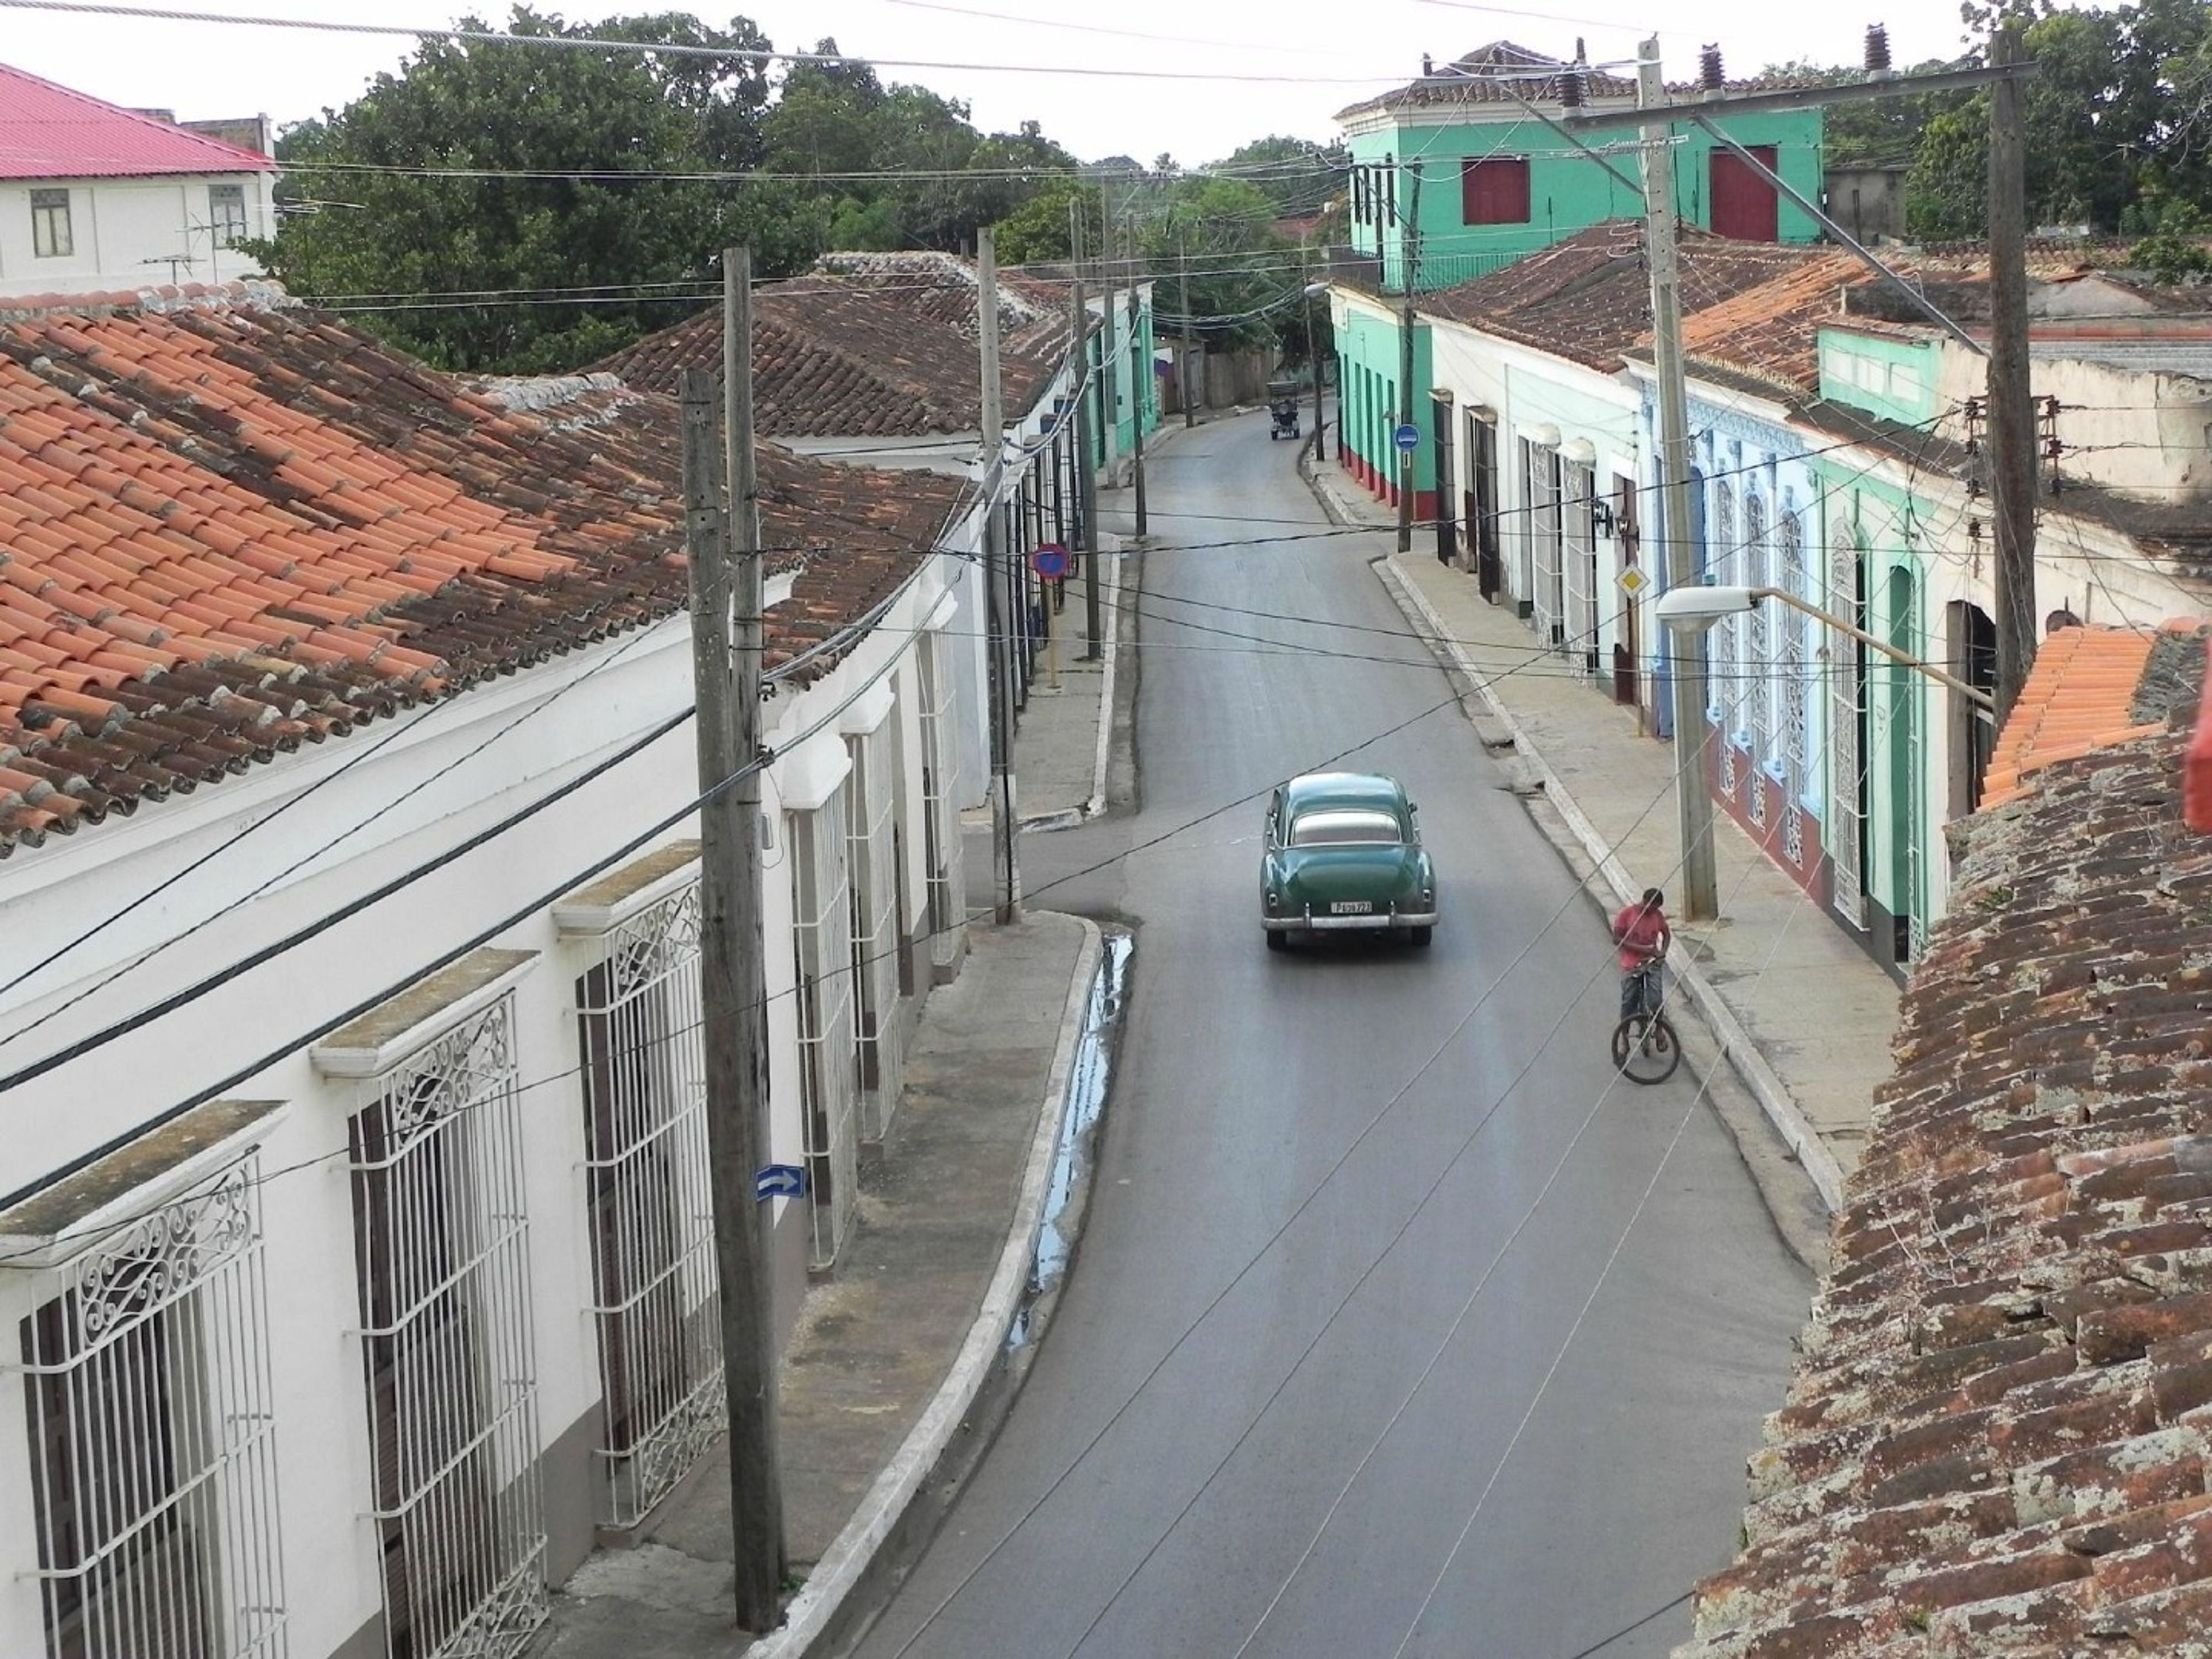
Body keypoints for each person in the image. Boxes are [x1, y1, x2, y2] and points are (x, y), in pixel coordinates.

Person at [1612, 888, 1671, 1022]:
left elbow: (1666, 934)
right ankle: (1625, 1031)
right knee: (1629, 1001)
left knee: (1656, 1000)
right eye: (1652, 908)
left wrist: (1663, 952)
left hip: (1651, 962)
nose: (1653, 912)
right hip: (1632, 963)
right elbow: (1616, 939)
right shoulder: (1626, 914)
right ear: (1645, 901)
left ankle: (1659, 1028)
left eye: (1656, 909)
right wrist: (1643, 949)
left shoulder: (1657, 915)